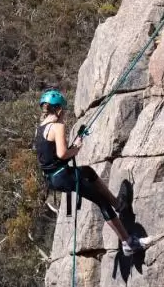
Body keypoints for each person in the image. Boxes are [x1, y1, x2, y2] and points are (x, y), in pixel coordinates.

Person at [34, 89, 144, 255]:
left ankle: (118, 204)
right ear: (58, 109)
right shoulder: (57, 126)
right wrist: (76, 149)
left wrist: (75, 143)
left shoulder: (39, 129)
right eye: (63, 110)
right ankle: (128, 242)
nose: (64, 114)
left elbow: (53, 157)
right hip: (64, 176)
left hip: (53, 178)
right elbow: (62, 154)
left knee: (88, 172)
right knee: (101, 202)